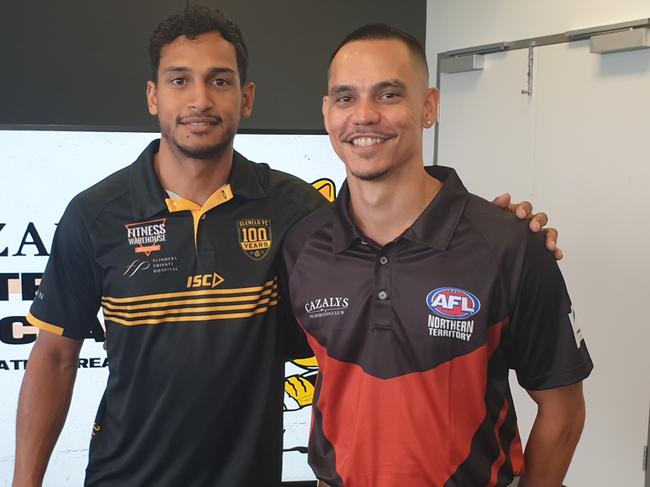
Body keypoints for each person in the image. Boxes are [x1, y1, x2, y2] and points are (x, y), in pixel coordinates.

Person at [13, 7, 559, 487]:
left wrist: (504, 231)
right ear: (154, 94)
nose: (199, 99)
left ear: (246, 98)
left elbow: (393, 234)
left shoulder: (297, 211)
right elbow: (56, 357)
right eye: (179, 80)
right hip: (122, 477)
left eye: (220, 81)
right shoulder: (95, 214)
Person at [281, 24, 593, 487]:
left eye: (388, 95)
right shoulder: (301, 246)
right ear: (327, 112)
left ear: (429, 107)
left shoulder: (510, 244)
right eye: (345, 98)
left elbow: (563, 409)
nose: (363, 115)